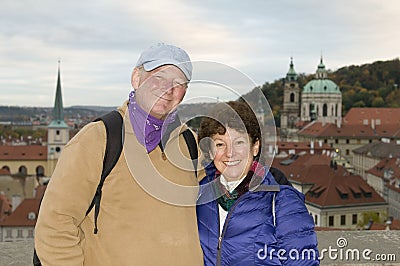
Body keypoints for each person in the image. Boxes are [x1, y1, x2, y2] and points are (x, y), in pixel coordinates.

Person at [34, 43, 204, 265]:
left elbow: (214, 202)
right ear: (136, 77)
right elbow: (55, 225)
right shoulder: (98, 139)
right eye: (159, 77)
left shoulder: (189, 143)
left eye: (178, 83)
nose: (168, 88)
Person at [196, 101, 319, 265]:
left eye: (239, 142)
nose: (229, 153)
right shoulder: (199, 196)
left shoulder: (282, 201)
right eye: (220, 144)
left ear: (255, 147)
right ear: (210, 151)